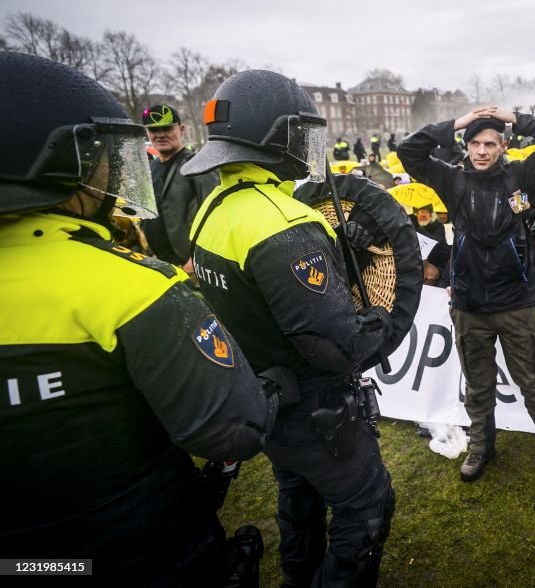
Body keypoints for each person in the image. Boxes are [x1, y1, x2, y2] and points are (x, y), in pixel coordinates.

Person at [0, 53, 282, 586]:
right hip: (139, 552)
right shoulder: (131, 290)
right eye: (103, 156)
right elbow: (232, 430)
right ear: (63, 163)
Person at [180, 69, 397, 586]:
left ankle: (298, 574)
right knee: (367, 505)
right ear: (276, 137)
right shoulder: (283, 221)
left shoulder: (212, 208)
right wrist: (379, 318)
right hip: (319, 409)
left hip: (267, 396)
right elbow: (335, 346)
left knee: (296, 492)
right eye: (301, 134)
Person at [398, 106, 535, 486]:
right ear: (466, 146)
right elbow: (409, 152)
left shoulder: (521, 175)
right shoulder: (452, 179)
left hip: (518, 304)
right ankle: (482, 446)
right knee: (477, 387)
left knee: (534, 385)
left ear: (503, 145)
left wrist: (515, 117)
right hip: (469, 306)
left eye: (490, 143)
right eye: (475, 143)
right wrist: (456, 123)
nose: (481, 151)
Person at [139, 102, 218, 272]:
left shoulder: (197, 165)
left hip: (191, 266)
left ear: (181, 129)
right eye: (153, 130)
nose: (160, 135)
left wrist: (195, 259)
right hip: (160, 264)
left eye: (167, 128)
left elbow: (216, 215)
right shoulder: (150, 168)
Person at [413, 204, 450, 287]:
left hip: (439, 266)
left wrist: (420, 229)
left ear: (430, 215)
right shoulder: (415, 227)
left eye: (425, 212)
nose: (423, 215)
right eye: (420, 213)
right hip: (423, 265)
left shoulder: (437, 226)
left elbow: (435, 243)